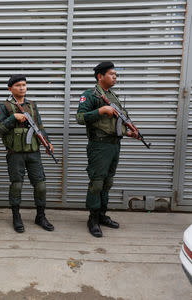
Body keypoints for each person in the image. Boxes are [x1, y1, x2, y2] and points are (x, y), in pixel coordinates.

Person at [76, 61, 138, 237]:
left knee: (108, 182)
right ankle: (93, 219)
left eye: (116, 75)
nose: (115, 77)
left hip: (114, 145)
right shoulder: (90, 95)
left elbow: (117, 123)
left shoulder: (113, 96)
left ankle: (102, 215)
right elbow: (80, 118)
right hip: (99, 146)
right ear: (100, 76)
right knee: (96, 182)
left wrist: (129, 133)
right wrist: (101, 110)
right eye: (111, 74)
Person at [0, 75, 55, 233]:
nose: (22, 88)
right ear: (10, 88)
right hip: (15, 154)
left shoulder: (32, 105)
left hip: (34, 153)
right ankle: (16, 216)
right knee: (17, 186)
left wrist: (47, 142)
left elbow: (39, 126)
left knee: (41, 186)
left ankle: (40, 216)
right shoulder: (5, 107)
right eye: (18, 85)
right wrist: (12, 119)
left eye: (24, 85)